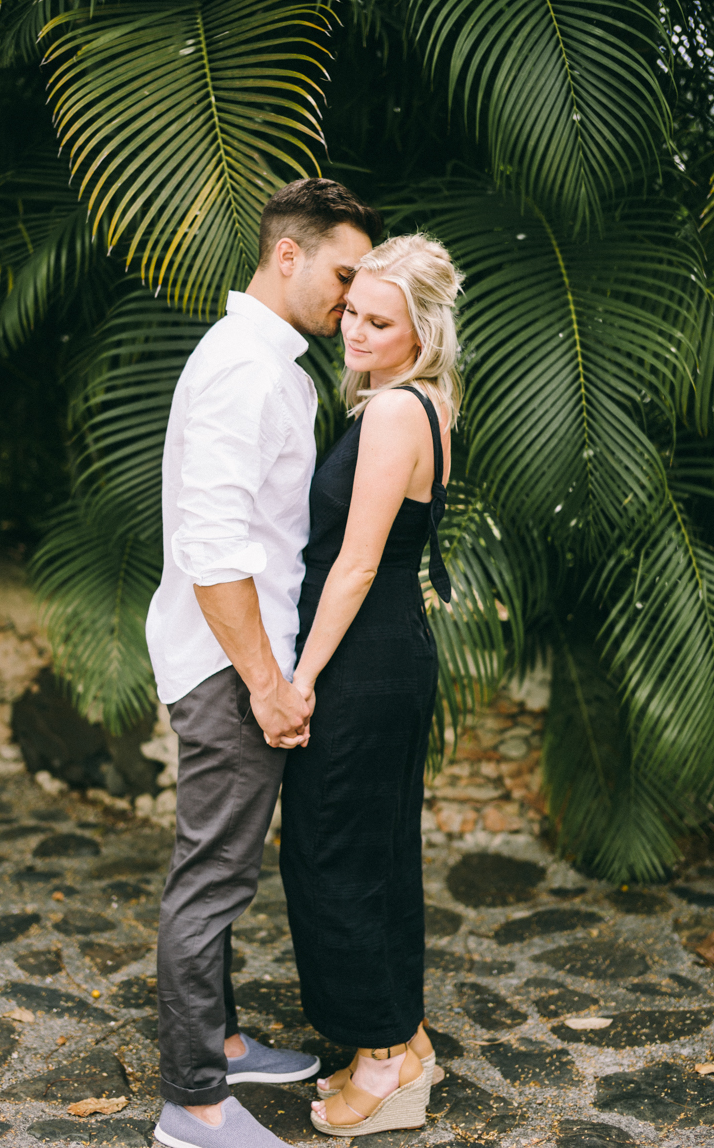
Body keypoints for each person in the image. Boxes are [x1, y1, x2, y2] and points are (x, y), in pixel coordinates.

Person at [147, 178, 383, 1148]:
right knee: (210, 881)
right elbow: (213, 551)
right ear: (286, 255)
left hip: (242, 658)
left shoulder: (267, 361)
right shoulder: (245, 369)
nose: (350, 295)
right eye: (341, 272)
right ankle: (194, 1101)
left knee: (226, 871)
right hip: (227, 666)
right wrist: (264, 684)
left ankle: (225, 1040)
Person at [279, 233, 463, 1138]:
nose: (352, 328)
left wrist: (301, 679)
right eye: (351, 308)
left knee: (337, 858)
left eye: (379, 320)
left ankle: (385, 1063)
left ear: (422, 331)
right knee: (377, 854)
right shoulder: (419, 405)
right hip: (386, 655)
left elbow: (352, 567)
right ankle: (408, 1038)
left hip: (360, 659)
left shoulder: (395, 415)